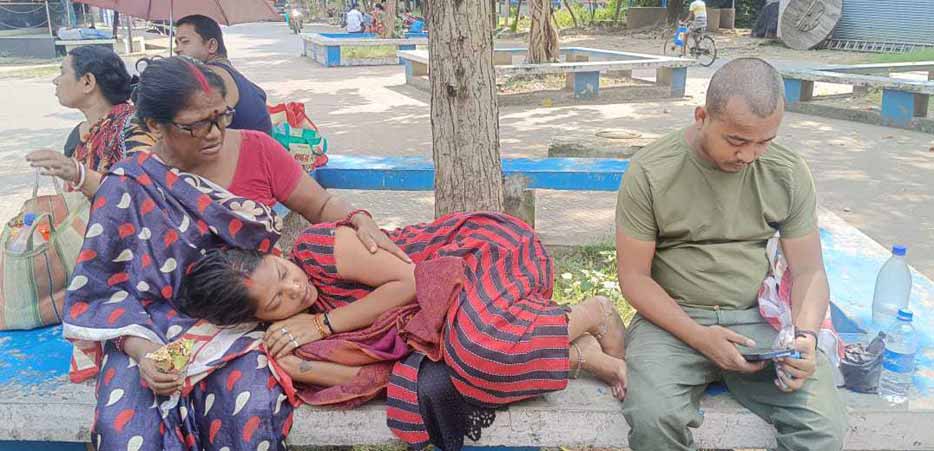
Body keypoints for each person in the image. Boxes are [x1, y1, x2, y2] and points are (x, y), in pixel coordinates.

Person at [62, 56, 407, 451]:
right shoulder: (127, 186)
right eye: (195, 124)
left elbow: (320, 205)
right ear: (155, 125)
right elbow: (106, 291)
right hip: (150, 332)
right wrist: (144, 354)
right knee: (125, 427)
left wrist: (359, 218)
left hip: (249, 323)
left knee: (247, 412)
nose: (215, 133)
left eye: (221, 116)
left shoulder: (257, 149)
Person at [178, 211, 630, 451]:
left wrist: (323, 324)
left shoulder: (318, 249)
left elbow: (414, 281)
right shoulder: (289, 332)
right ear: (263, 318)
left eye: (281, 271)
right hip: (460, 316)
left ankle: (594, 312)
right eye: (277, 300)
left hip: (477, 258)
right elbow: (380, 378)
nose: (294, 287)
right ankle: (576, 350)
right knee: (459, 371)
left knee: (471, 352)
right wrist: (305, 366)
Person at [615, 58, 848, 451]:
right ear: (702, 116)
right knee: (654, 419)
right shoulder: (651, 171)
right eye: (737, 141)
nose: (750, 156)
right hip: (672, 322)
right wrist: (701, 338)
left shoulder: (787, 172)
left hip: (757, 320)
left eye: (765, 141)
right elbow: (634, 278)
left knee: (821, 424)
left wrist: (804, 337)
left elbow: (808, 269)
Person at [25, 46, 153, 199]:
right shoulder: (78, 136)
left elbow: (144, 197)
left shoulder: (133, 128)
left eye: (63, 72)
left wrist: (81, 175)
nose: (55, 81)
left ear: (88, 82)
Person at [174, 14, 273, 134]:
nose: (177, 49)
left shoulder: (212, 75)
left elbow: (199, 128)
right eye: (176, 43)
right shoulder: (229, 71)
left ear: (211, 46)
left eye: (184, 42)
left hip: (249, 150)